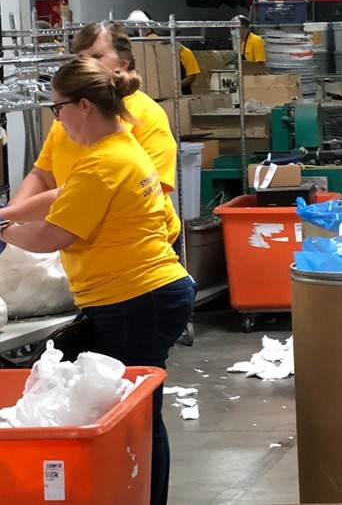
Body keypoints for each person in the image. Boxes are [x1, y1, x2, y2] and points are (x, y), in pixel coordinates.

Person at [0, 57, 196, 505]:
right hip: (148, 293)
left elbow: (53, 236)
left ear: (83, 105)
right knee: (137, 410)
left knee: (133, 414)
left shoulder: (103, 162)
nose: (58, 119)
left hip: (135, 298)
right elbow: (63, 195)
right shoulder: (118, 148)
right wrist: (7, 215)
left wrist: (4, 234)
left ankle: (138, 494)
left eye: (58, 108)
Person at [0, 22, 180, 246]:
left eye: (96, 57)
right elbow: (43, 175)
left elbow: (142, 194)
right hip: (78, 238)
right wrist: (11, 216)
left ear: (123, 64)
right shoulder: (68, 115)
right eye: (79, 58)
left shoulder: (145, 117)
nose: (85, 65)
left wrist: (8, 223)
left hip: (129, 245)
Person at [128, 9, 201, 95]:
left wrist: (173, 87)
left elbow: (191, 77)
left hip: (179, 95)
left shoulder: (181, 50)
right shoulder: (138, 49)